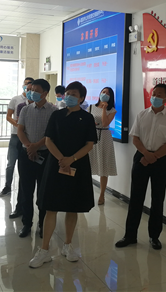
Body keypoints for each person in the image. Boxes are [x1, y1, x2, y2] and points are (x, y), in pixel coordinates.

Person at [29, 81, 97, 268]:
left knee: (72, 206)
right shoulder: (56, 115)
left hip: (77, 165)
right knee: (51, 206)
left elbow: (90, 144)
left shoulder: (87, 118)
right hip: (56, 164)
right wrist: (62, 159)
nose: (69, 96)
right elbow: (49, 140)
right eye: (68, 93)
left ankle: (68, 245)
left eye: (74, 94)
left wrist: (71, 159)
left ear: (81, 98)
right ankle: (44, 250)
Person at [115, 83, 166, 251]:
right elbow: (135, 138)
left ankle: (154, 236)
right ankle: (130, 235)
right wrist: (146, 154)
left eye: (159, 95)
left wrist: (153, 156)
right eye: (154, 93)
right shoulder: (142, 114)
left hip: (160, 160)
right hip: (141, 158)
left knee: (158, 199)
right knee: (136, 197)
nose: (155, 97)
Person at [17, 79, 57, 238]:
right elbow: (20, 130)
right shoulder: (25, 109)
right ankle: (27, 223)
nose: (31, 92)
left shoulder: (53, 111)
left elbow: (51, 134)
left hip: (45, 155)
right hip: (26, 154)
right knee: (26, 190)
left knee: (44, 191)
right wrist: (29, 147)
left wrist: (36, 146)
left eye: (35, 90)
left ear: (45, 93)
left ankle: (42, 224)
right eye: (30, 89)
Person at [0, 77, 33, 200]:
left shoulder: (36, 102)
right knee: (11, 163)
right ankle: (7, 186)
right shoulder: (16, 100)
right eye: (26, 85)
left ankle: (23, 189)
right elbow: (8, 116)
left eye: (30, 86)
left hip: (29, 137)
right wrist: (19, 126)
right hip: (16, 135)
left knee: (25, 164)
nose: (28, 88)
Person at [88, 87, 117, 205]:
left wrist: (104, 109)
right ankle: (86, 192)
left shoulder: (112, 110)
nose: (105, 94)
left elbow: (105, 123)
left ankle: (102, 195)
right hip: (92, 136)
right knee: (89, 164)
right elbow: (86, 121)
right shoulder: (91, 107)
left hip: (105, 137)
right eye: (103, 92)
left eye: (108, 93)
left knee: (104, 166)